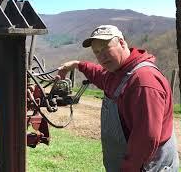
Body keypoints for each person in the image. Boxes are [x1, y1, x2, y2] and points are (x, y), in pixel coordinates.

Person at [57, 25, 179, 171]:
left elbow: (145, 139)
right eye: (97, 52)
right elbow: (100, 75)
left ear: (122, 43)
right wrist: (78, 65)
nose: (101, 56)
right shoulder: (117, 72)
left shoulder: (143, 81)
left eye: (105, 48)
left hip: (146, 167)